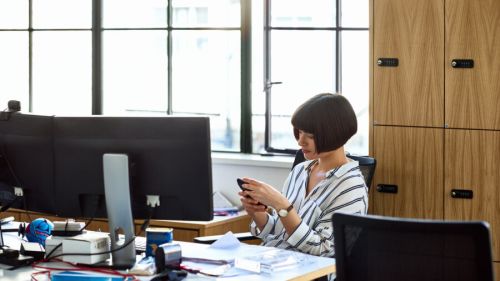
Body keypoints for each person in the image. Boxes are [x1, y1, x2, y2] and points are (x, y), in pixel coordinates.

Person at [239, 93, 368, 257]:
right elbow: (279, 232)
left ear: (336, 134)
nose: (300, 141)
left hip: (310, 272)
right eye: (299, 132)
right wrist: (257, 213)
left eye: (311, 136)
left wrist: (282, 206)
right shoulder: (300, 170)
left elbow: (324, 249)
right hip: (273, 262)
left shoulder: (351, 186)